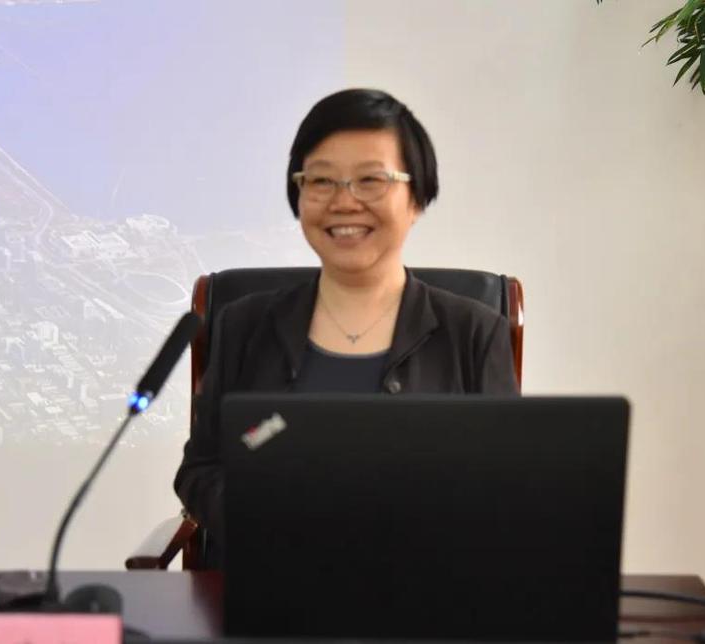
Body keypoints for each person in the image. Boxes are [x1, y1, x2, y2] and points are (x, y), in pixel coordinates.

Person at [174, 88, 518, 568]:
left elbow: (506, 491)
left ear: (417, 198)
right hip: (271, 590)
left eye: (371, 180)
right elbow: (200, 470)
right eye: (321, 180)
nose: (343, 201)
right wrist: (267, 517)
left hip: (423, 592)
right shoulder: (243, 325)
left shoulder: (474, 333)